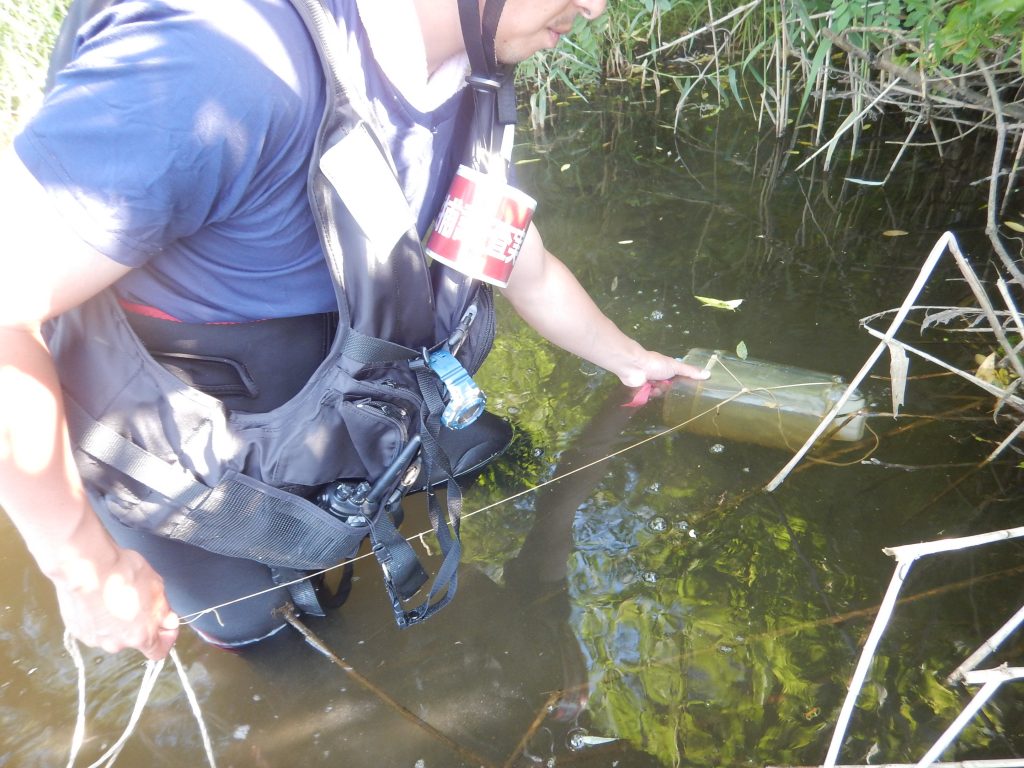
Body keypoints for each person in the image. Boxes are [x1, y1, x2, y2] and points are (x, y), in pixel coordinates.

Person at [0, 0, 708, 662]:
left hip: (347, 401)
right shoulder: (224, 64)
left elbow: (528, 268)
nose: (596, 8)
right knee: (255, 633)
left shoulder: (470, 78)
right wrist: (84, 566)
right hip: (195, 460)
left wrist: (631, 361)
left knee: (499, 452)